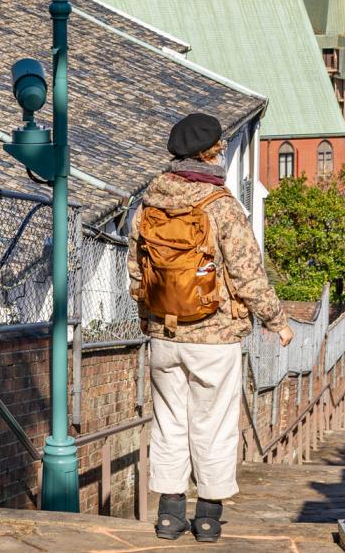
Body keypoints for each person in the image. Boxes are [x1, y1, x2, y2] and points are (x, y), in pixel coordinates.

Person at [128, 112, 293, 542]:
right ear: (210, 152)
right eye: (219, 146)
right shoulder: (220, 207)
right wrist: (277, 320)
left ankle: (167, 515)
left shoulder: (150, 202)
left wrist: (152, 320)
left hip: (164, 336)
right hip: (215, 337)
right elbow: (247, 274)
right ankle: (206, 518)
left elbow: (136, 273)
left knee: (168, 422)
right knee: (213, 423)